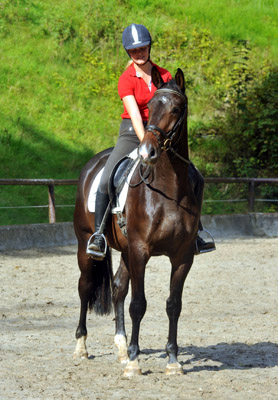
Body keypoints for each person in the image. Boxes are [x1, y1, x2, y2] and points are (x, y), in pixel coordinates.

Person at [87, 23, 215, 260]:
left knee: (195, 177)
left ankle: (196, 231)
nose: (139, 53)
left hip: (162, 133)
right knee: (106, 179)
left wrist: (159, 137)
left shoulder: (164, 75)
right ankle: (98, 235)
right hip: (132, 132)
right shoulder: (126, 79)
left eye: (143, 48)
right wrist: (145, 141)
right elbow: (135, 115)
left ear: (149, 47)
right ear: (128, 53)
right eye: (134, 50)